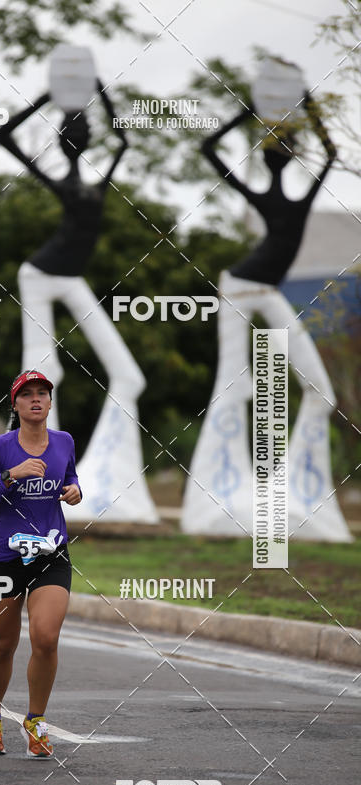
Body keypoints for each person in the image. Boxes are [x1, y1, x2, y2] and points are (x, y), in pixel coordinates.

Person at [181, 93, 351, 541]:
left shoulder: (299, 192)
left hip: (267, 291)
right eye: (277, 146)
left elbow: (333, 154)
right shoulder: (259, 192)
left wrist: (307, 107)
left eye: (286, 146)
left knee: (320, 392)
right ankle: (218, 495)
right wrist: (248, 109)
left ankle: (298, 494)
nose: (282, 151)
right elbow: (208, 151)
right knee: (233, 387)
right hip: (237, 288)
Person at [0, 80, 157, 523]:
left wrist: (96, 89)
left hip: (71, 278)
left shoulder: (97, 182)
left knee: (128, 375)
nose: (81, 137)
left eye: (85, 132)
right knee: (42, 373)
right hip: (40, 275)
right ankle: (29, 484)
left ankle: (105, 479)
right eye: (73, 132)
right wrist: (51, 94)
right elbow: (4, 135)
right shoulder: (63, 182)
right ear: (63, 142)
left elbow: (123, 138)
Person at [0, 370, 82, 757]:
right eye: (27, 394)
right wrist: (11, 476)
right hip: (2, 558)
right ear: (15, 405)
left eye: (43, 394)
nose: (36, 399)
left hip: (50, 554)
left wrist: (74, 490)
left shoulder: (64, 441)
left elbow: (70, 476)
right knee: (3, 645)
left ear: (50, 403)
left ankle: (35, 722)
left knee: (46, 638)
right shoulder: (0, 447)